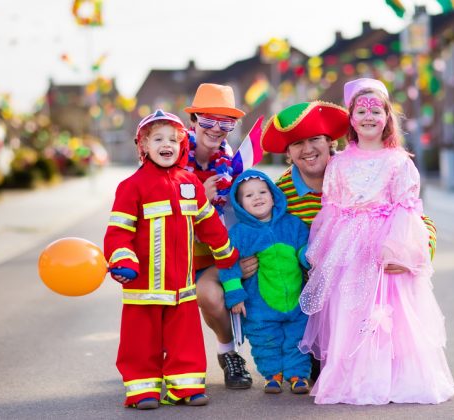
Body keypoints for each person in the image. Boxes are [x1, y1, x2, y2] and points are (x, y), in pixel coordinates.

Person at [298, 78, 454, 405]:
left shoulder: (399, 162)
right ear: (351, 119)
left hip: (384, 248)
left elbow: (407, 210)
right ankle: (354, 378)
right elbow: (331, 209)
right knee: (349, 312)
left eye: (376, 111)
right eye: (361, 110)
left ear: (387, 118)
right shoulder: (339, 163)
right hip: (348, 250)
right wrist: (325, 253)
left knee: (388, 314)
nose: (368, 116)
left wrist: (398, 250)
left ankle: (393, 377)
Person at [257, 99, 439, 381]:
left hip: (363, 282)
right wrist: (249, 259)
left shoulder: (358, 167)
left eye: (314, 139)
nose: (307, 149)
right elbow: (265, 237)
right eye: (297, 144)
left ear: (330, 141)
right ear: (288, 153)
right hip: (307, 292)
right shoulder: (278, 194)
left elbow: (414, 216)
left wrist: (414, 253)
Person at [104, 109, 239, 409]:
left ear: (181, 145)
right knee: (141, 341)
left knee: (185, 340)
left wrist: (226, 252)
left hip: (182, 287)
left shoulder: (190, 183)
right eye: (158, 139)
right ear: (144, 146)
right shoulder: (131, 186)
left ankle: (186, 386)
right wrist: (122, 260)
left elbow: (209, 223)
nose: (166, 144)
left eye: (173, 140)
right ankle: (142, 390)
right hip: (144, 287)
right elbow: (118, 232)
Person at [183, 83, 253, 389]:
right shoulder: (169, 156)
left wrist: (247, 256)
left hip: (216, 255)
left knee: (210, 296)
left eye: (226, 123)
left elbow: (242, 213)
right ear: (193, 121)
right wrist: (199, 198)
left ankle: (228, 353)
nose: (216, 129)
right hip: (176, 254)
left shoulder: (231, 165)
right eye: (208, 120)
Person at [219, 169, 312, 394]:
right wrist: (235, 295)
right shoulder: (239, 233)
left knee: (297, 336)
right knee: (265, 339)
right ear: (239, 203)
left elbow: (304, 249)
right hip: (259, 304)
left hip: (296, 300)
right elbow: (228, 265)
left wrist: (310, 257)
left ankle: (298, 375)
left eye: (262, 192)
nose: (257, 197)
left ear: (273, 195)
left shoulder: (293, 224)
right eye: (249, 195)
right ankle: (273, 375)